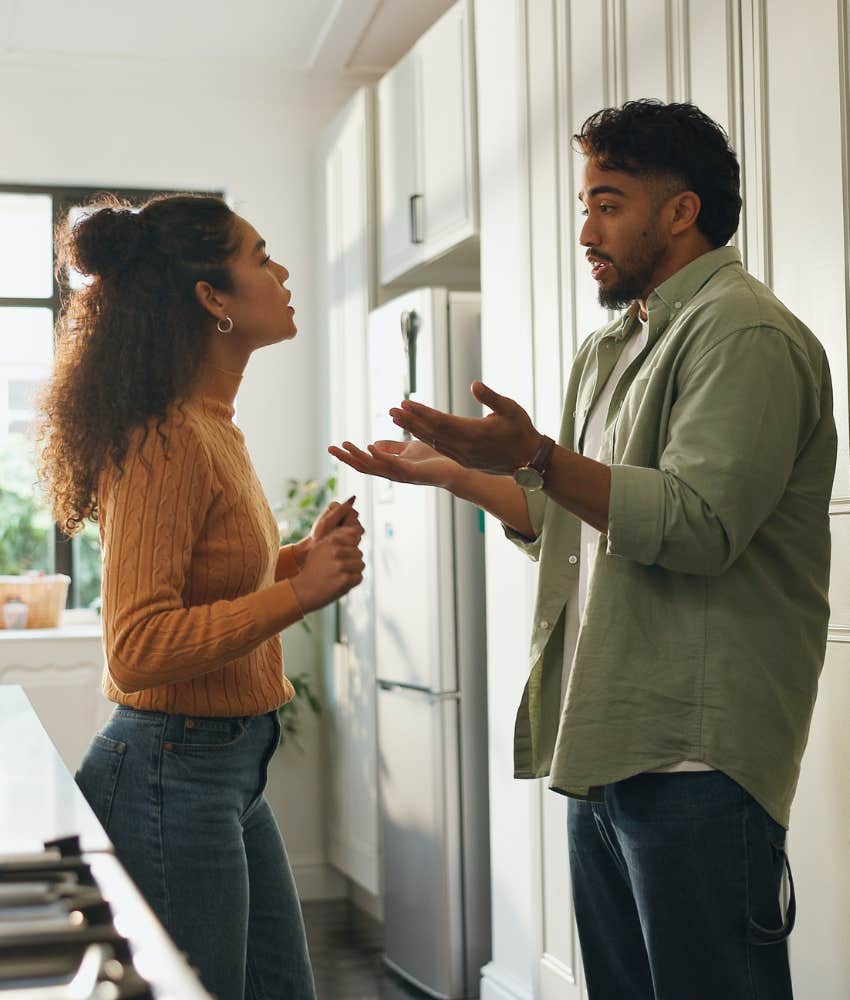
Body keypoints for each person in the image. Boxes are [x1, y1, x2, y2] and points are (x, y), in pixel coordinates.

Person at [330, 100, 837, 999]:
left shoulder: (743, 333)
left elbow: (697, 525)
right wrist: (454, 474)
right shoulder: (613, 346)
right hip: (609, 738)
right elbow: (573, 521)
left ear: (680, 211)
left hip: (698, 756)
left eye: (608, 205)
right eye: (585, 205)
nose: (585, 233)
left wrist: (535, 454)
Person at [38, 193, 365, 1000]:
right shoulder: (167, 438)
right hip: (170, 772)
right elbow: (138, 647)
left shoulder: (209, 423)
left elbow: (207, 582)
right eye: (260, 258)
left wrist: (293, 565)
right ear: (211, 298)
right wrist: (297, 596)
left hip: (220, 769)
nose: (282, 273)